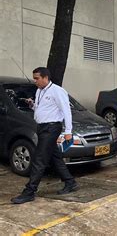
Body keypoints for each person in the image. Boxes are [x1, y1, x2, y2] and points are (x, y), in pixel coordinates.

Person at [11, 67, 78, 204]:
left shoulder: (58, 91)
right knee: (56, 157)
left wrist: (68, 132)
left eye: (37, 78)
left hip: (52, 128)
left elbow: (66, 111)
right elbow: (42, 108)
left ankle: (30, 191)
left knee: (39, 159)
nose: (35, 81)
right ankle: (70, 182)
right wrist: (32, 105)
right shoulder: (39, 91)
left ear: (45, 77)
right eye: (34, 78)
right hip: (42, 127)